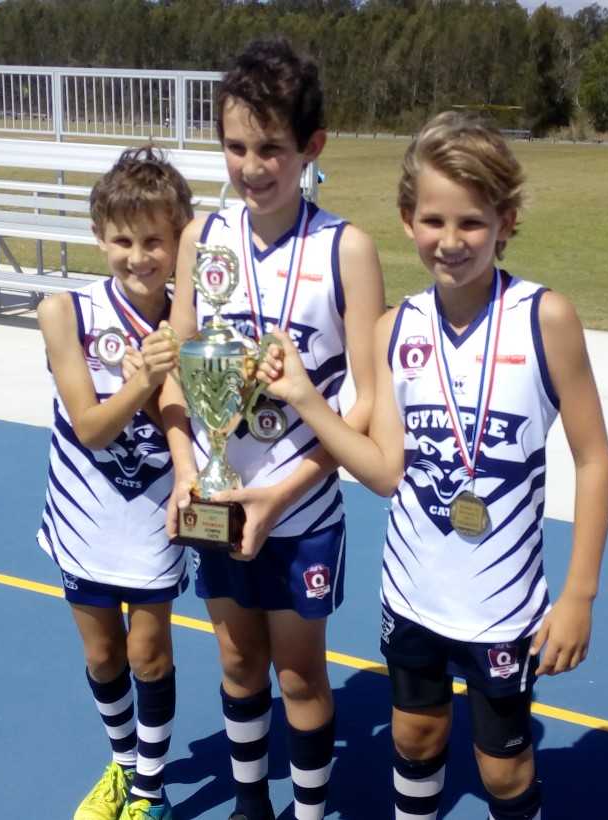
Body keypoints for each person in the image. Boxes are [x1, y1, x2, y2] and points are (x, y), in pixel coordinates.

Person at [256, 111, 608, 820]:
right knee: (415, 736)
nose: (450, 243)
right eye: (433, 221)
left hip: (503, 605)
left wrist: (578, 595)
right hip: (413, 593)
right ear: (406, 218)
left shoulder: (546, 319)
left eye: (472, 223)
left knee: (503, 769)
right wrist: (304, 396)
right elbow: (387, 472)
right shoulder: (397, 329)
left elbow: (594, 459)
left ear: (505, 221)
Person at [157, 37, 385, 820]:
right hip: (218, 496)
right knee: (237, 660)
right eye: (234, 146)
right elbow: (178, 371)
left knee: (297, 674)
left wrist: (281, 495)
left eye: (272, 149)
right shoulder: (200, 239)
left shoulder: (346, 249)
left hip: (302, 508)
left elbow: (366, 405)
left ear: (312, 147)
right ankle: (253, 806)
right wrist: (187, 468)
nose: (251, 166)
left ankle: (311, 814)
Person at [35, 146, 193, 820]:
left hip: (155, 514)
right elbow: (91, 428)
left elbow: (199, 418)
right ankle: (123, 769)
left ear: (179, 241)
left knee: (148, 652)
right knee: (103, 654)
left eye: (156, 239)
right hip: (82, 514)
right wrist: (146, 379)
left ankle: (151, 792)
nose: (139, 255)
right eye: (123, 239)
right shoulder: (63, 311)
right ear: (100, 238)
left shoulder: (192, 322)